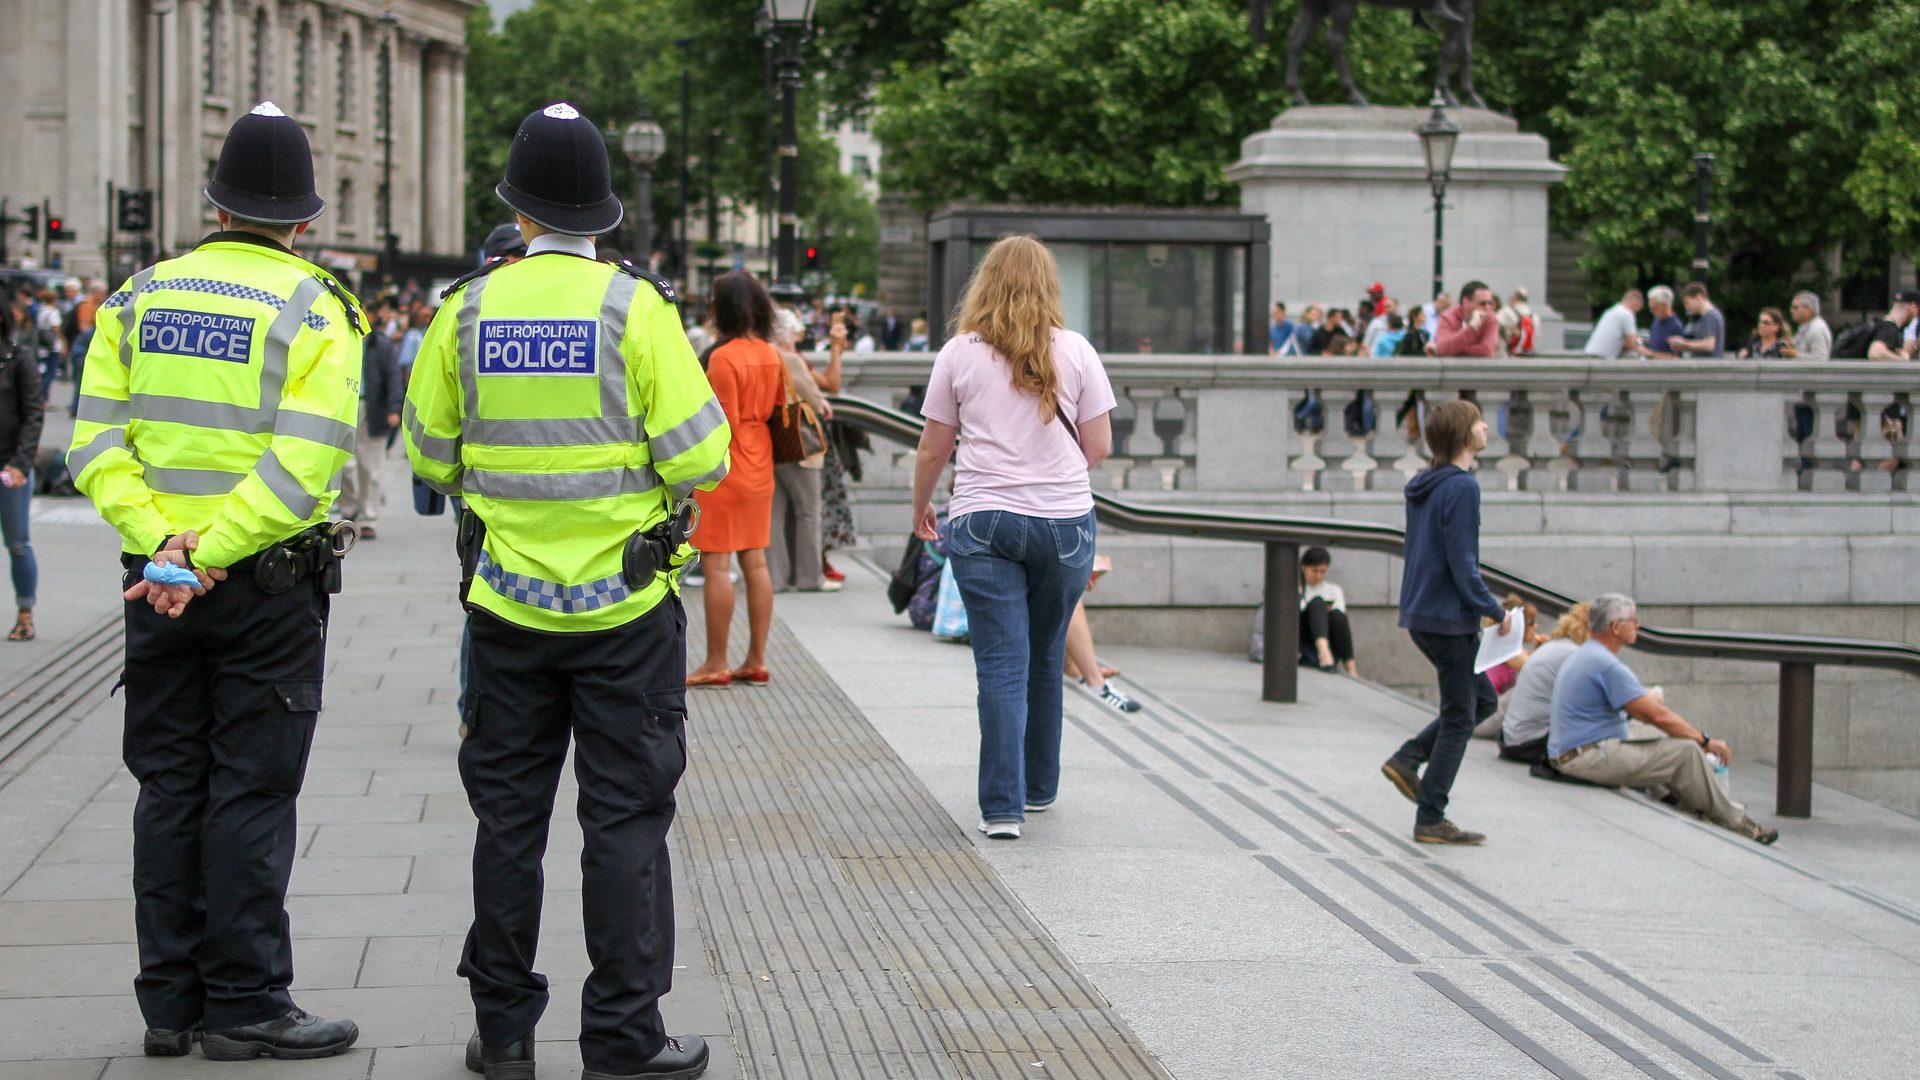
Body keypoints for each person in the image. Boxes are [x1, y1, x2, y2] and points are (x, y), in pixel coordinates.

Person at [404, 101, 724, 1080]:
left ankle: (503, 1036)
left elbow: (428, 452)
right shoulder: (637, 310)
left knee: (509, 827)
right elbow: (702, 455)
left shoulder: (464, 312)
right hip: (626, 614)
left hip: (504, 610)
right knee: (622, 826)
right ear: (604, 213)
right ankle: (624, 1037)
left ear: (519, 209)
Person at [67, 101, 363, 1061]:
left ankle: (170, 1004)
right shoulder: (317, 308)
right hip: (263, 589)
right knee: (249, 790)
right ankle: (246, 1000)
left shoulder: (135, 298)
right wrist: (214, 552)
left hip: (152, 586)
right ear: (304, 218)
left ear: (215, 203)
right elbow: (303, 464)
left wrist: (165, 549)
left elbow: (95, 446)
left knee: (168, 786)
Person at [910, 235, 1116, 841]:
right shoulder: (1076, 351)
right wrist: (1053, 480)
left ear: (985, 283)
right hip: (1064, 524)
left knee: (1001, 664)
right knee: (1047, 654)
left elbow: (933, 447)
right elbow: (1099, 445)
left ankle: (1001, 808)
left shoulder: (959, 353)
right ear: (1049, 284)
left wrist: (922, 507)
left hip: (982, 520)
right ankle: (1040, 787)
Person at [1378, 398, 1510, 846]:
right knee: (1460, 716)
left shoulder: (1424, 484)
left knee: (1481, 703)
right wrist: (1493, 609)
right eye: (1478, 422)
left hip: (1421, 612)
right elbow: (1463, 562)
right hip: (1450, 618)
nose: (1485, 427)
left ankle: (1408, 758)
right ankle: (1431, 814)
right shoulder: (1462, 488)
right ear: (1464, 435)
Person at [1548, 595, 1779, 844]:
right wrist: (1705, 740)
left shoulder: (1588, 653)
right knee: (1686, 750)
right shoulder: (1605, 664)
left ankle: (1697, 804)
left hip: (1577, 750)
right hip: (1585, 756)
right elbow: (1657, 715)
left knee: (1662, 737)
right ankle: (1735, 820)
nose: (1638, 626)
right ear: (1615, 626)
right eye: (1633, 620)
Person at [687, 272, 785, 688]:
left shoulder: (723, 358)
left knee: (717, 565)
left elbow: (718, 422)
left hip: (729, 466)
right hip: (761, 461)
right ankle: (757, 659)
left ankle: (716, 662)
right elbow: (778, 410)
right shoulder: (770, 353)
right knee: (756, 560)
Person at [769, 305, 835, 594]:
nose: (798, 338)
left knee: (775, 514)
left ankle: (775, 578)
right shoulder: (790, 359)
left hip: (772, 442)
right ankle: (810, 577)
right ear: (786, 334)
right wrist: (822, 403)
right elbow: (815, 399)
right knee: (808, 512)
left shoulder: (764, 355)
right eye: (796, 332)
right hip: (799, 446)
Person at [333, 295, 403, 539]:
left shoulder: (380, 345)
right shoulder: (340, 339)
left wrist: (395, 408)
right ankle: (349, 508)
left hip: (373, 408)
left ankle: (368, 517)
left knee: (371, 467)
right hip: (344, 406)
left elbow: (394, 377)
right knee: (344, 464)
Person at [1495, 603, 1589, 765]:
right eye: (1531, 623)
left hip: (1510, 738)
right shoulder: (1572, 654)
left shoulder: (1554, 646)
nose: (1536, 626)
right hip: (1525, 743)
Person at [0, 296, 44, 641]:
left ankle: (25, 615)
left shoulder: (19, 358)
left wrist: (20, 463)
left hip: (10, 465)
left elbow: (33, 414)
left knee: (17, 543)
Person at [1299, 547, 1356, 675]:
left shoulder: (1333, 590)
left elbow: (1339, 618)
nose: (1318, 575)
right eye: (1314, 571)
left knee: (1337, 616)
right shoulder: (1297, 589)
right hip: (1305, 637)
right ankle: (1323, 653)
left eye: (1322, 571)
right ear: (1304, 568)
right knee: (1318, 602)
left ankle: (1352, 669)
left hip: (1329, 637)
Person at [1430, 282, 1500, 357]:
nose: (1487, 308)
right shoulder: (1447, 317)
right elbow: (1443, 349)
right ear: (1466, 302)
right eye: (1482, 303)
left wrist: (1451, 349)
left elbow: (1487, 350)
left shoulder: (1490, 317)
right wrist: (1472, 327)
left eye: (1489, 303)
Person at [1668, 282, 1726, 357]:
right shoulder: (1712, 315)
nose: (1686, 308)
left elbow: (1709, 345)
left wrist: (1684, 344)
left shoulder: (1710, 316)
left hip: (1708, 366)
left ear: (1698, 297)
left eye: (1687, 303)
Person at [1584, 289, 1643, 359]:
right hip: (1602, 359)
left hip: (1589, 354)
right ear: (1636, 303)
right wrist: (1651, 353)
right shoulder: (1627, 314)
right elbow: (1632, 344)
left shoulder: (1611, 311)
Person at [1785, 291, 1830, 361]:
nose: (1791, 311)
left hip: (1812, 372)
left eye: (1795, 308)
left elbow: (1821, 360)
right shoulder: (1806, 326)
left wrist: (1795, 355)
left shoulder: (1817, 329)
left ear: (1809, 310)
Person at [1643, 286, 1684, 356]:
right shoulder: (1656, 321)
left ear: (1665, 306)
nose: (1651, 311)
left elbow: (1676, 358)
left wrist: (1650, 354)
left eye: (1654, 307)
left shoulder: (1676, 327)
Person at [1496, 287, 1537, 356]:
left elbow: (1494, 323)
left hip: (1509, 352)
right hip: (1528, 353)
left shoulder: (1506, 311)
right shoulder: (1534, 316)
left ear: (1514, 298)